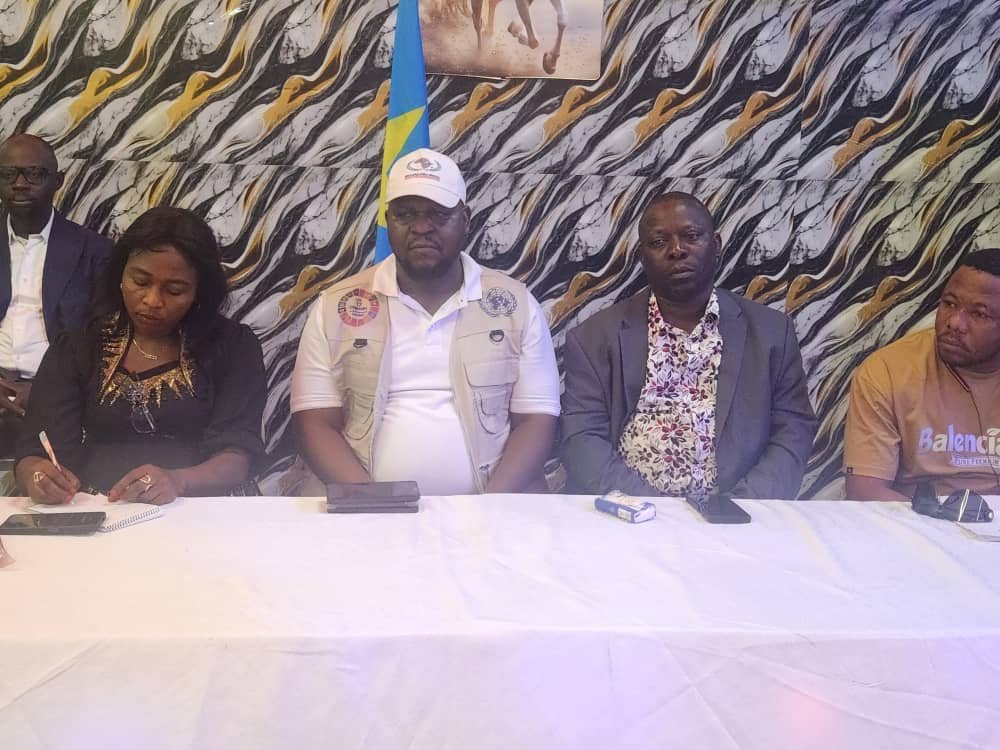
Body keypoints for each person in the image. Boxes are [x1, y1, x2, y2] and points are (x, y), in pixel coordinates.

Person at [291, 148, 560, 494]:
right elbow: (315, 422)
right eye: (405, 214)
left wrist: (490, 509)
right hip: (364, 509)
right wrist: (373, 504)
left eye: (438, 214)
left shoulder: (515, 305)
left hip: (491, 508)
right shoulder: (335, 308)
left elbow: (536, 420)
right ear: (387, 221)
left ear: (465, 220)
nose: (421, 227)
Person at [560, 192, 816, 499]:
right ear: (642, 257)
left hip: (739, 514)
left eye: (691, 236)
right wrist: (652, 510)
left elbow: (793, 430)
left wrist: (741, 506)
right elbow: (582, 438)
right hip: (627, 513)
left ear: (716, 245)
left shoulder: (771, 334)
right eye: (659, 242)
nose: (676, 250)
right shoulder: (594, 338)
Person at [14, 207, 266, 504]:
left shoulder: (232, 346)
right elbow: (35, 451)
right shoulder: (78, 345)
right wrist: (38, 475)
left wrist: (178, 481)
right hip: (96, 508)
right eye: (141, 282)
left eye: (174, 290)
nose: (152, 300)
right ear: (121, 274)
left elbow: (237, 456)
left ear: (199, 291)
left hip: (200, 508)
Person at [844, 250, 1000, 501]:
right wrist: (943, 520)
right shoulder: (888, 370)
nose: (955, 322)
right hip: (915, 517)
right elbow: (866, 492)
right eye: (949, 303)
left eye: (979, 313)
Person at [0, 134, 112, 452]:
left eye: (34, 174)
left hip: (61, 393)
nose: (20, 184)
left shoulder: (94, 251)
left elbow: (103, 335)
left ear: (58, 181)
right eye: (8, 174)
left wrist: (45, 387)